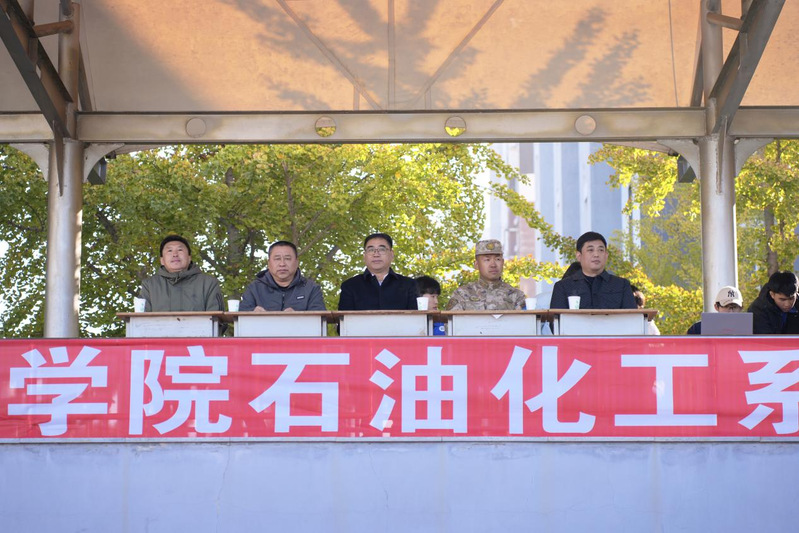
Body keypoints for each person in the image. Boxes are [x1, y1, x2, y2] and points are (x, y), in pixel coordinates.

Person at [550, 231, 636, 310]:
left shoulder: (622, 285)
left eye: (601, 250)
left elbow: (631, 318)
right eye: (590, 250)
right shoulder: (563, 287)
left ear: (606, 255)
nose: (596, 254)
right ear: (579, 256)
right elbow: (557, 319)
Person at [139, 234, 224, 312]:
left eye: (180, 250)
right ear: (162, 260)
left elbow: (217, 319)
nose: (175, 254)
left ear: (189, 258)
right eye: (169, 251)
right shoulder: (149, 285)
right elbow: (141, 320)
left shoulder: (208, 283)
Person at [338, 233, 418, 310]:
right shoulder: (350, 286)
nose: (376, 254)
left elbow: (416, 317)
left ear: (392, 254)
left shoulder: (409, 285)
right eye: (371, 250)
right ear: (364, 256)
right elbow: (344, 318)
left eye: (382, 249)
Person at [240, 241, 326, 312]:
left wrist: (298, 318)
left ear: (297, 263)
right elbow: (241, 318)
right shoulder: (255, 288)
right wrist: (252, 313)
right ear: (269, 263)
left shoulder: (311, 288)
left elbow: (320, 320)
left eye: (287, 259)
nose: (282, 264)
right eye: (277, 259)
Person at [446, 239, 526, 311]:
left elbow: (525, 321)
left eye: (497, 259)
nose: (493, 265)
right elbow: (452, 321)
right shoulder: (462, 294)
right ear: (476, 265)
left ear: (502, 263)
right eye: (487, 260)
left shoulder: (516, 296)